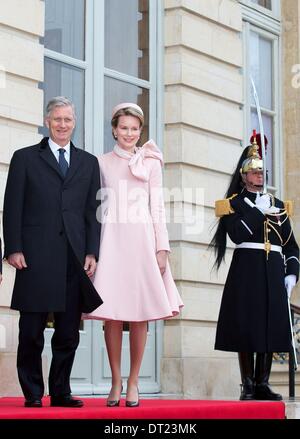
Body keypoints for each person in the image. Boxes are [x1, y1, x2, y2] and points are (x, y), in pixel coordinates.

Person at [3, 96, 102, 408]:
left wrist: (91, 251)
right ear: (47, 122)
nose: (62, 125)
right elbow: (12, 207)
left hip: (74, 258)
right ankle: (33, 393)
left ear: (74, 123)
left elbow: (92, 211)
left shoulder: (89, 163)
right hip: (34, 257)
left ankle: (60, 392)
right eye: (57, 119)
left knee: (68, 333)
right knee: (31, 331)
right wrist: (13, 248)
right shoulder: (25, 158)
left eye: (68, 120)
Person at [83, 102, 183, 407]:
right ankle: (115, 381)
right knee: (111, 316)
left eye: (134, 128)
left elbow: (158, 207)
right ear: (114, 129)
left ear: (140, 131)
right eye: (123, 127)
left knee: (141, 315)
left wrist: (162, 248)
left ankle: (134, 382)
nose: (129, 133)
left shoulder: (151, 162)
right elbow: (92, 209)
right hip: (111, 241)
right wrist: (92, 251)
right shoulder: (100, 163)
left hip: (142, 241)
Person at [210, 131, 299, 401]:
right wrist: (256, 211)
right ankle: (247, 384)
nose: (260, 175)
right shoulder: (232, 205)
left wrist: (292, 273)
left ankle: (263, 382)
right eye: (254, 171)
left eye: (262, 171)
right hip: (247, 270)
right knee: (247, 326)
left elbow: (291, 245)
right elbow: (237, 234)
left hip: (273, 271)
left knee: (270, 325)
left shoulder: (279, 205)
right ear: (243, 174)